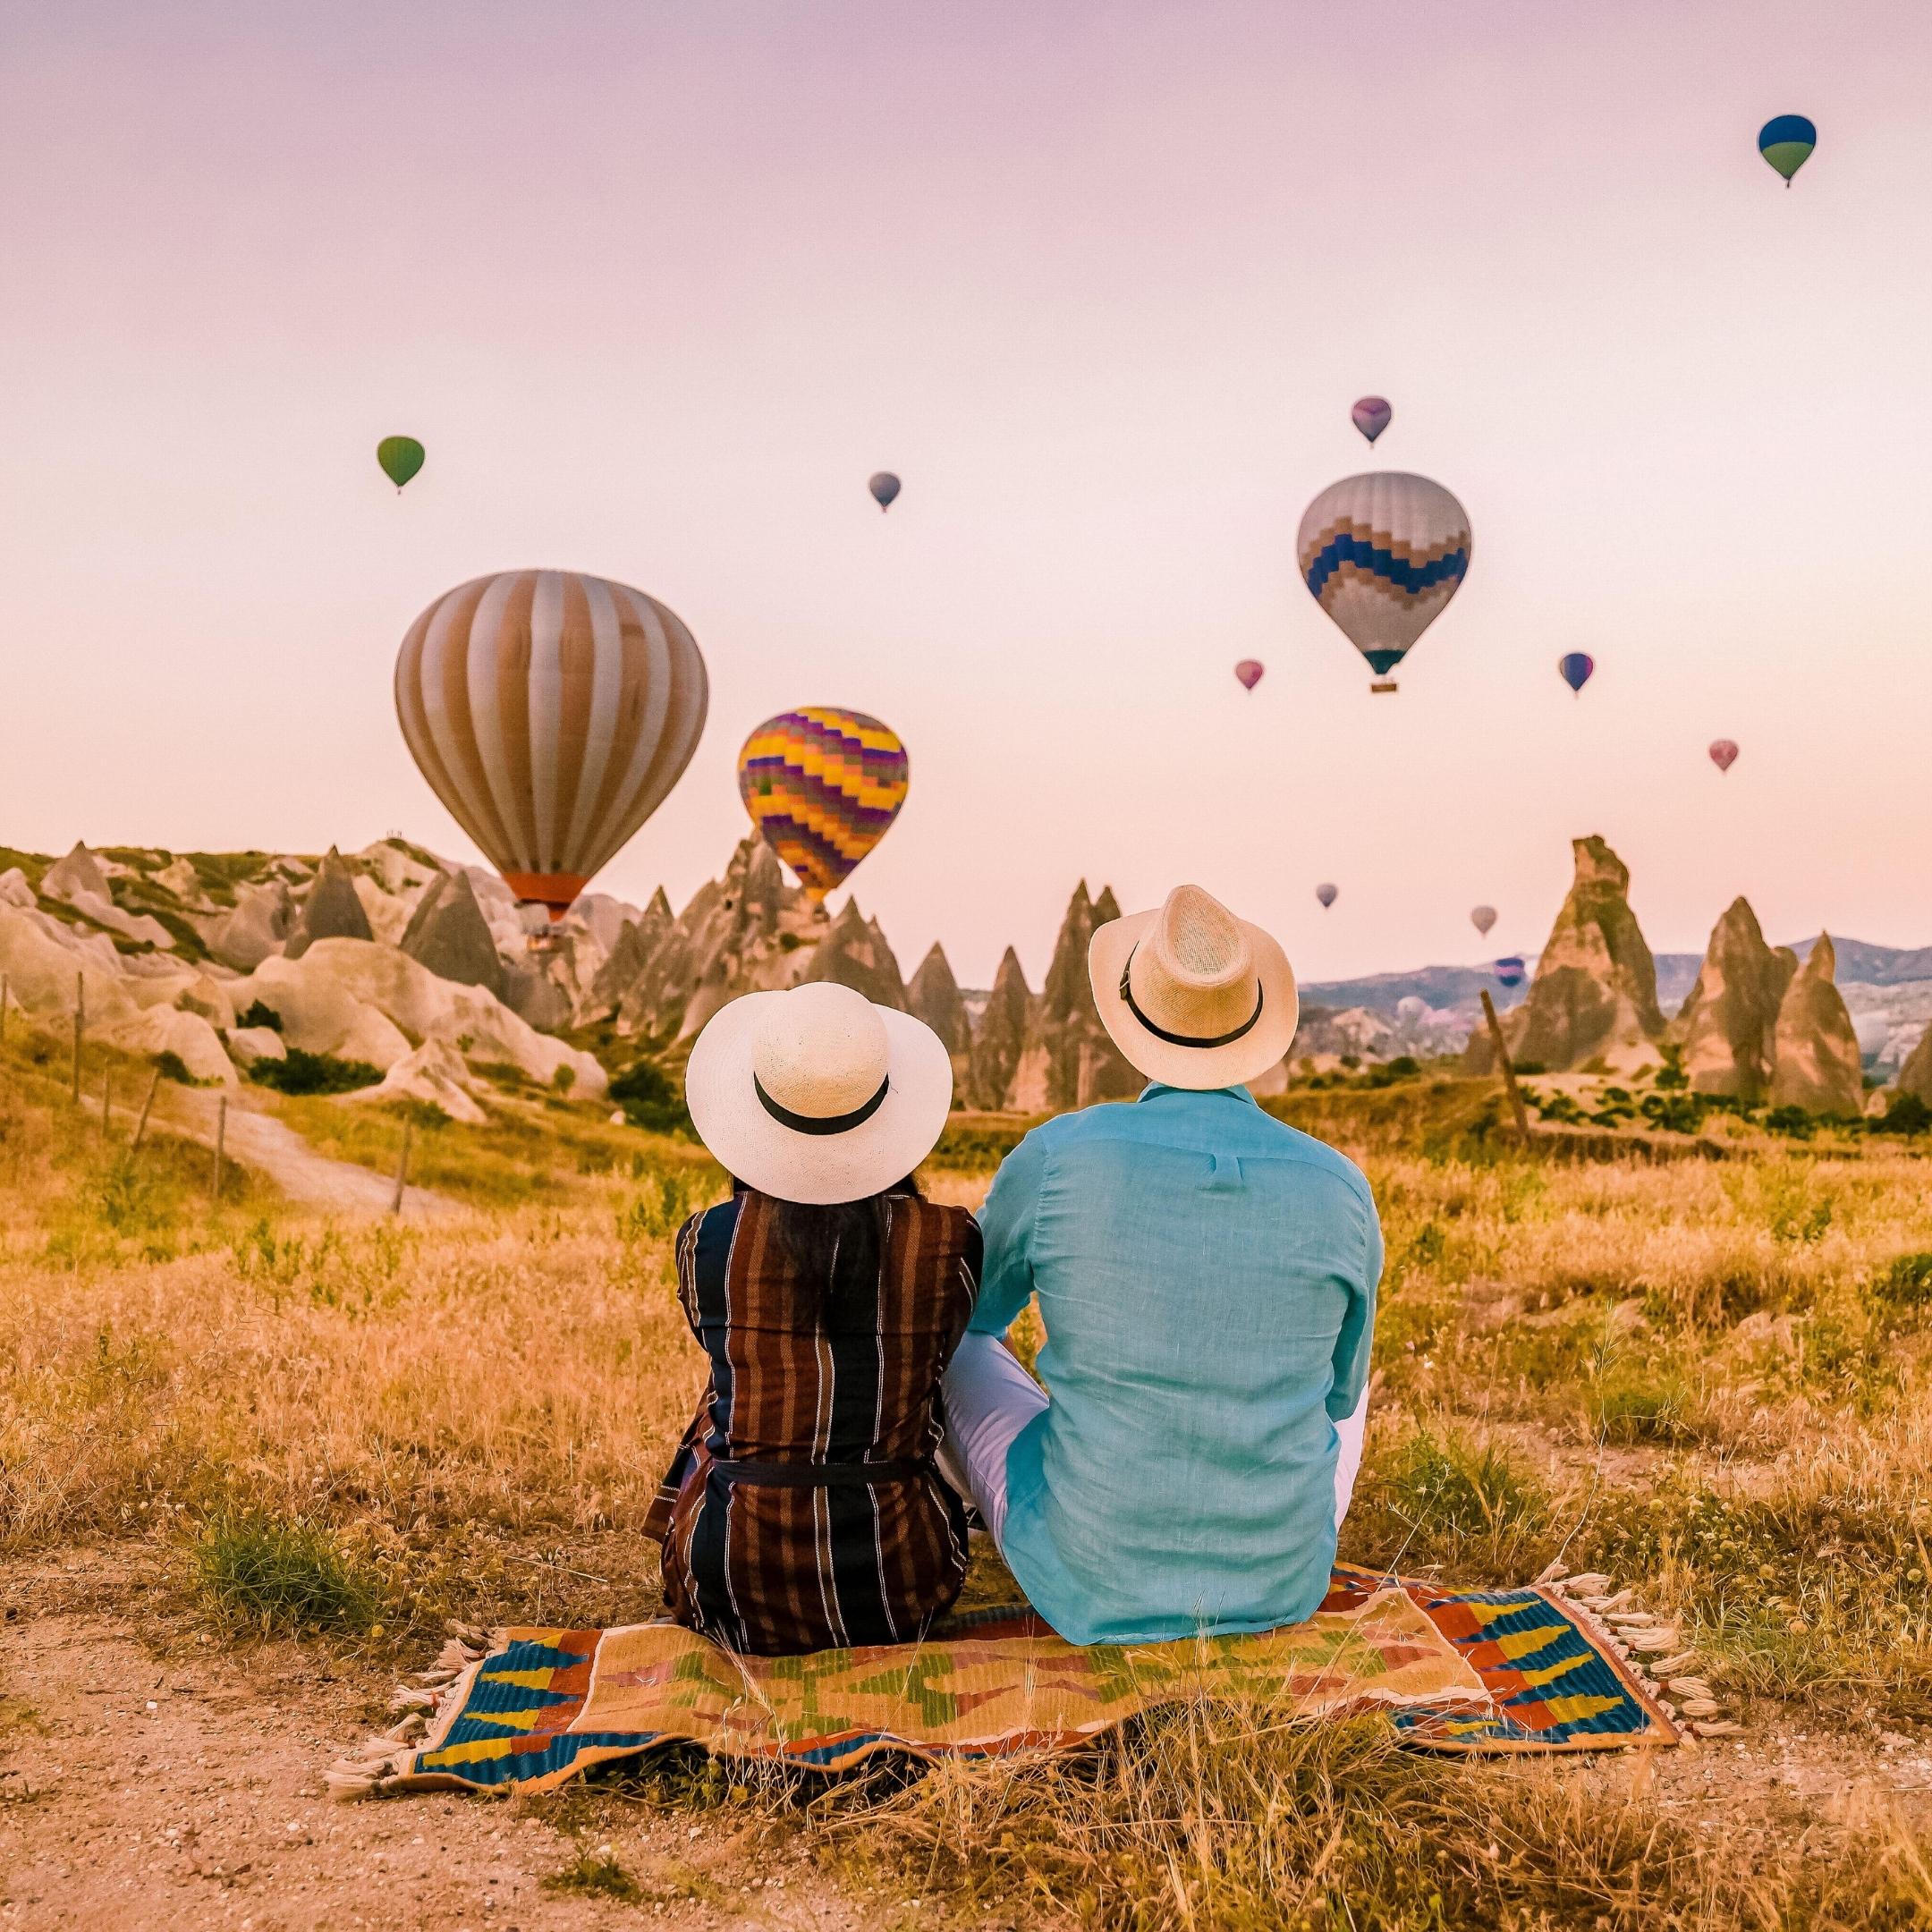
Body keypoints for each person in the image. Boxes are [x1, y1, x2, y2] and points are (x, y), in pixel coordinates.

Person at [941, 885, 1381, 1645]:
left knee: (954, 1346)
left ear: (1131, 1020)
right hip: (1282, 1579)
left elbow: (972, 1313)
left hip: (1087, 1575)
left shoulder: (1057, 1156)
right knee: (1359, 1387)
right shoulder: (1339, 1182)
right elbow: (1339, 1399)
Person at [647, 981, 979, 1655]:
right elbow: (942, 1349)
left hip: (731, 1582)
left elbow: (717, 1345)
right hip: (901, 1586)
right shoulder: (950, 1241)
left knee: (726, 1394)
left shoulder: (705, 1242)